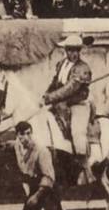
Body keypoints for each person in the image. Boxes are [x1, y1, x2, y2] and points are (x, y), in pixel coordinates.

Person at [42, 35, 102, 178]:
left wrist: (50, 97)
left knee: (77, 132)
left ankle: (85, 168)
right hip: (60, 104)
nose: (73, 54)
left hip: (78, 104)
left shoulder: (83, 68)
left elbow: (70, 88)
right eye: (70, 50)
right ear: (65, 50)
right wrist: (46, 93)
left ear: (79, 51)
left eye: (76, 51)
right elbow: (55, 82)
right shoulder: (61, 64)